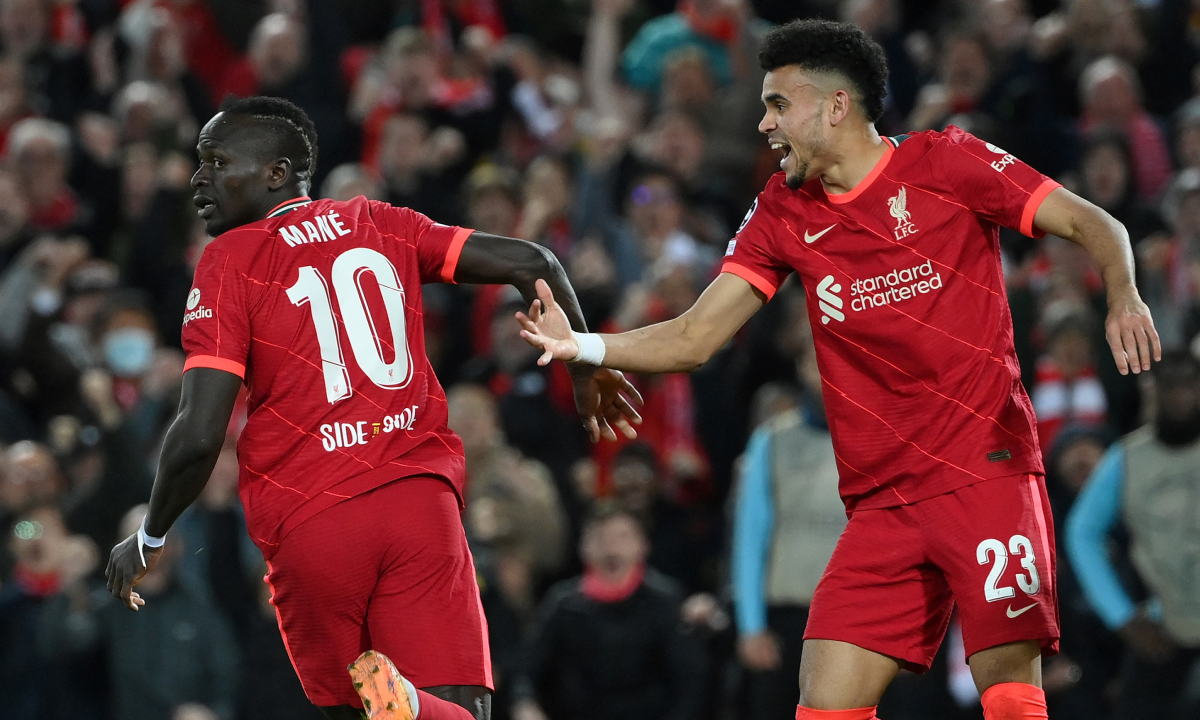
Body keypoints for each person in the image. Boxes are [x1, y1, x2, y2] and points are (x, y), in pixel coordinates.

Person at [517, 19, 1161, 720]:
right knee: (823, 703)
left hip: (984, 471)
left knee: (1009, 695)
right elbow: (697, 336)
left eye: (777, 105)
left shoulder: (947, 164)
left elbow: (1097, 223)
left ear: (835, 107)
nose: (764, 123)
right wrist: (584, 346)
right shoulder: (783, 211)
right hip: (881, 501)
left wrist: (1123, 294)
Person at [103, 95, 641, 720]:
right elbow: (534, 261)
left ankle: (406, 707)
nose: (199, 178)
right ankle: (417, 706)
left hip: (311, 522)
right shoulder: (379, 221)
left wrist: (150, 535)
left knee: (357, 711)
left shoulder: (229, 261)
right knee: (462, 706)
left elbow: (200, 435)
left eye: (216, 162)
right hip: (418, 504)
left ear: (277, 173)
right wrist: (585, 365)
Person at [1065, 350, 1200, 720]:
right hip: (1167, 621)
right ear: (1151, 391)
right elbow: (1082, 532)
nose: (1181, 396)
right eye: (1169, 386)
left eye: (1189, 384)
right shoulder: (1126, 458)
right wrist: (1121, 616)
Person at [732, 301, 845, 720]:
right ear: (799, 367)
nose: (826, 371)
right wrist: (750, 626)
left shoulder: (882, 437)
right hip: (787, 621)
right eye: (815, 361)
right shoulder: (772, 441)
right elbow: (750, 538)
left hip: (859, 618)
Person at [509, 506, 705, 720]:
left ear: (644, 546)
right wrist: (525, 706)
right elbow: (526, 669)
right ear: (583, 547)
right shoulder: (563, 604)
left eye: (622, 537)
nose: (611, 548)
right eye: (600, 538)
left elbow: (690, 682)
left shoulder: (665, 602)